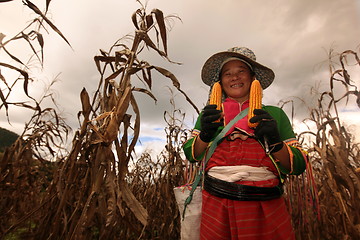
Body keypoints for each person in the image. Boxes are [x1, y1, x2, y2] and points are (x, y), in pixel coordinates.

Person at [183, 47, 307, 240]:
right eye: (227, 73)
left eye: (241, 71)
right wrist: (205, 135)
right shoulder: (210, 115)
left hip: (264, 205)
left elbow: (298, 165)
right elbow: (192, 154)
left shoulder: (274, 114)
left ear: (253, 78)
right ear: (220, 82)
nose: (234, 77)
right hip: (217, 203)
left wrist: (275, 142)